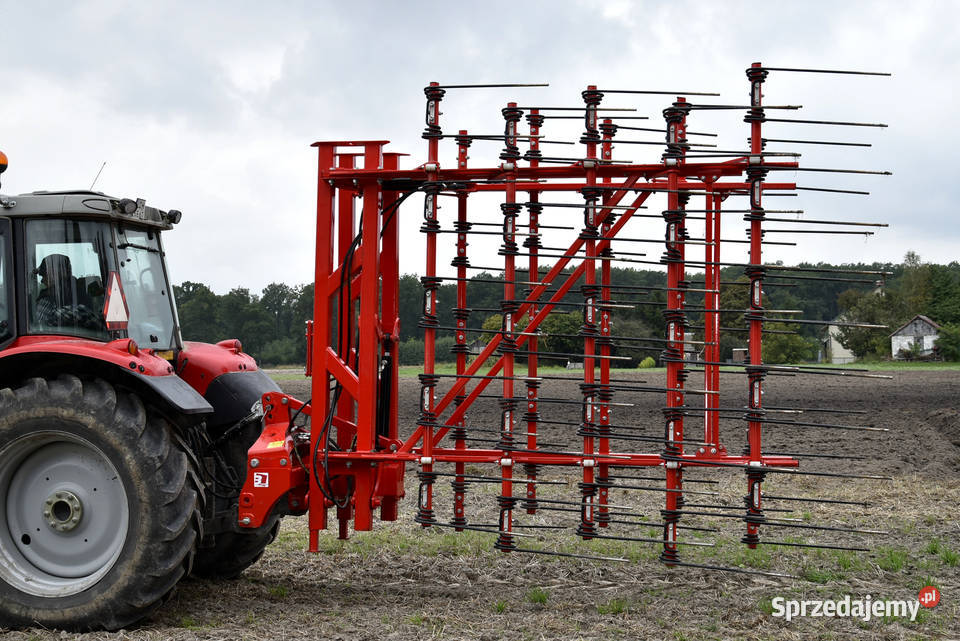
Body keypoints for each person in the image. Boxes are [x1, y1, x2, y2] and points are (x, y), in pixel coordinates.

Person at [34, 254, 96, 329]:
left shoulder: (46, 299)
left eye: (45, 275)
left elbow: (41, 324)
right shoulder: (83, 294)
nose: (42, 280)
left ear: (55, 275)